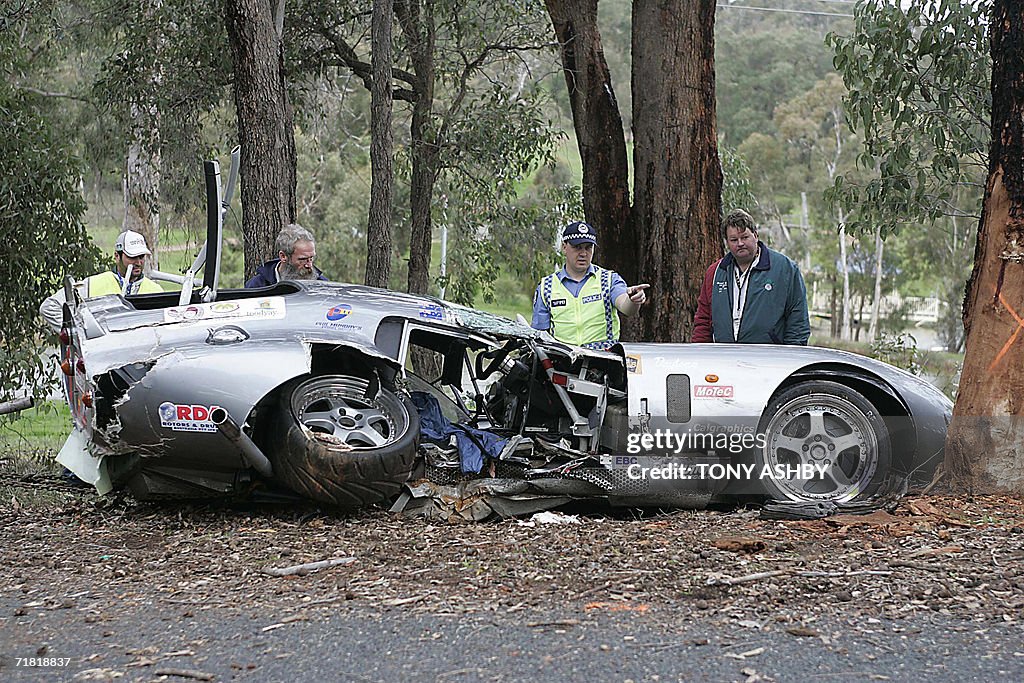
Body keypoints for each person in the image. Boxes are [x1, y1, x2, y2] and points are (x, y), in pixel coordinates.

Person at [692, 209, 810, 345]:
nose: (740, 243)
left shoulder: (785, 269)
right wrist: (701, 353)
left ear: (755, 235)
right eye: (734, 240)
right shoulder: (715, 272)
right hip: (723, 357)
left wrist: (791, 358)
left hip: (768, 358)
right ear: (727, 242)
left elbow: (798, 320)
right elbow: (703, 320)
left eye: (744, 237)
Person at [531, 221, 649, 350]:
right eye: (577, 247)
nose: (583, 253)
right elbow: (540, 334)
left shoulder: (608, 279)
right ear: (564, 247)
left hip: (604, 358)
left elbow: (626, 307)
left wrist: (634, 300)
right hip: (564, 359)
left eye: (588, 247)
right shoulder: (546, 286)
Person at [39, 230, 163, 333]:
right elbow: (49, 307)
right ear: (117, 256)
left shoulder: (156, 291)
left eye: (141, 257)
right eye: (132, 257)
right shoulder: (92, 285)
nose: (138, 262)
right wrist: (78, 334)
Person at [245, 223, 328, 287]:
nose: (309, 265)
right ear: (283, 256)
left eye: (311, 258)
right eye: (302, 259)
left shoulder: (322, 286)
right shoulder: (258, 285)